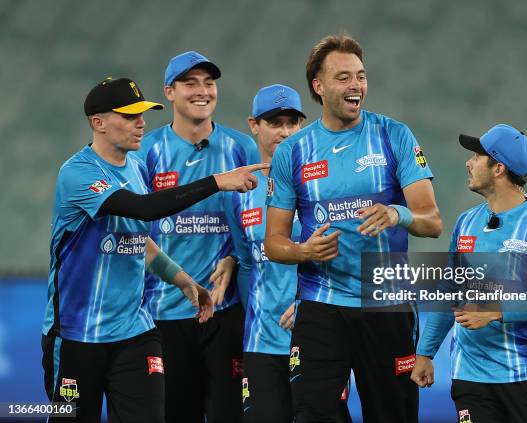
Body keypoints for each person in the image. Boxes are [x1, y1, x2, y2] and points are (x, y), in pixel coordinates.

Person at [41, 77, 267, 423]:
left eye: (143, 114)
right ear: (97, 123)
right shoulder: (78, 173)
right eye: (130, 116)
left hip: (135, 331)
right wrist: (217, 182)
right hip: (76, 334)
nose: (141, 123)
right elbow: (143, 210)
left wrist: (182, 280)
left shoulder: (134, 167)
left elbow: (137, 238)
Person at [264, 34, 443, 423]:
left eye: (360, 76)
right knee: (311, 414)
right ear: (319, 86)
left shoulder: (394, 136)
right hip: (321, 307)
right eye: (343, 77)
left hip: (387, 305)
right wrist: (303, 252)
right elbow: (274, 243)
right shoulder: (293, 152)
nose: (356, 86)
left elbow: (432, 222)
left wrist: (399, 214)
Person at [411, 124, 527, 423]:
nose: (468, 163)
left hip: (524, 376)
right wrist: (425, 353)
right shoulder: (466, 223)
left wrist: (496, 311)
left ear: (498, 168)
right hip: (470, 379)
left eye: (476, 156)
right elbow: (449, 289)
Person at [137, 51, 259, 423]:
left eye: (209, 82)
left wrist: (235, 258)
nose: (202, 91)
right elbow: (133, 230)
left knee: (231, 415)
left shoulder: (242, 148)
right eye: (190, 83)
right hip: (164, 313)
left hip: (226, 313)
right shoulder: (146, 150)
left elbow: (255, 227)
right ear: (169, 93)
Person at [224, 84, 353, 422]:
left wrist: (311, 308)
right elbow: (247, 263)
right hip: (261, 344)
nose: (284, 131)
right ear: (254, 125)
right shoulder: (239, 191)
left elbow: (345, 257)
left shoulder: (326, 181)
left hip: (319, 338)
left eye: (292, 123)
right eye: (274, 122)